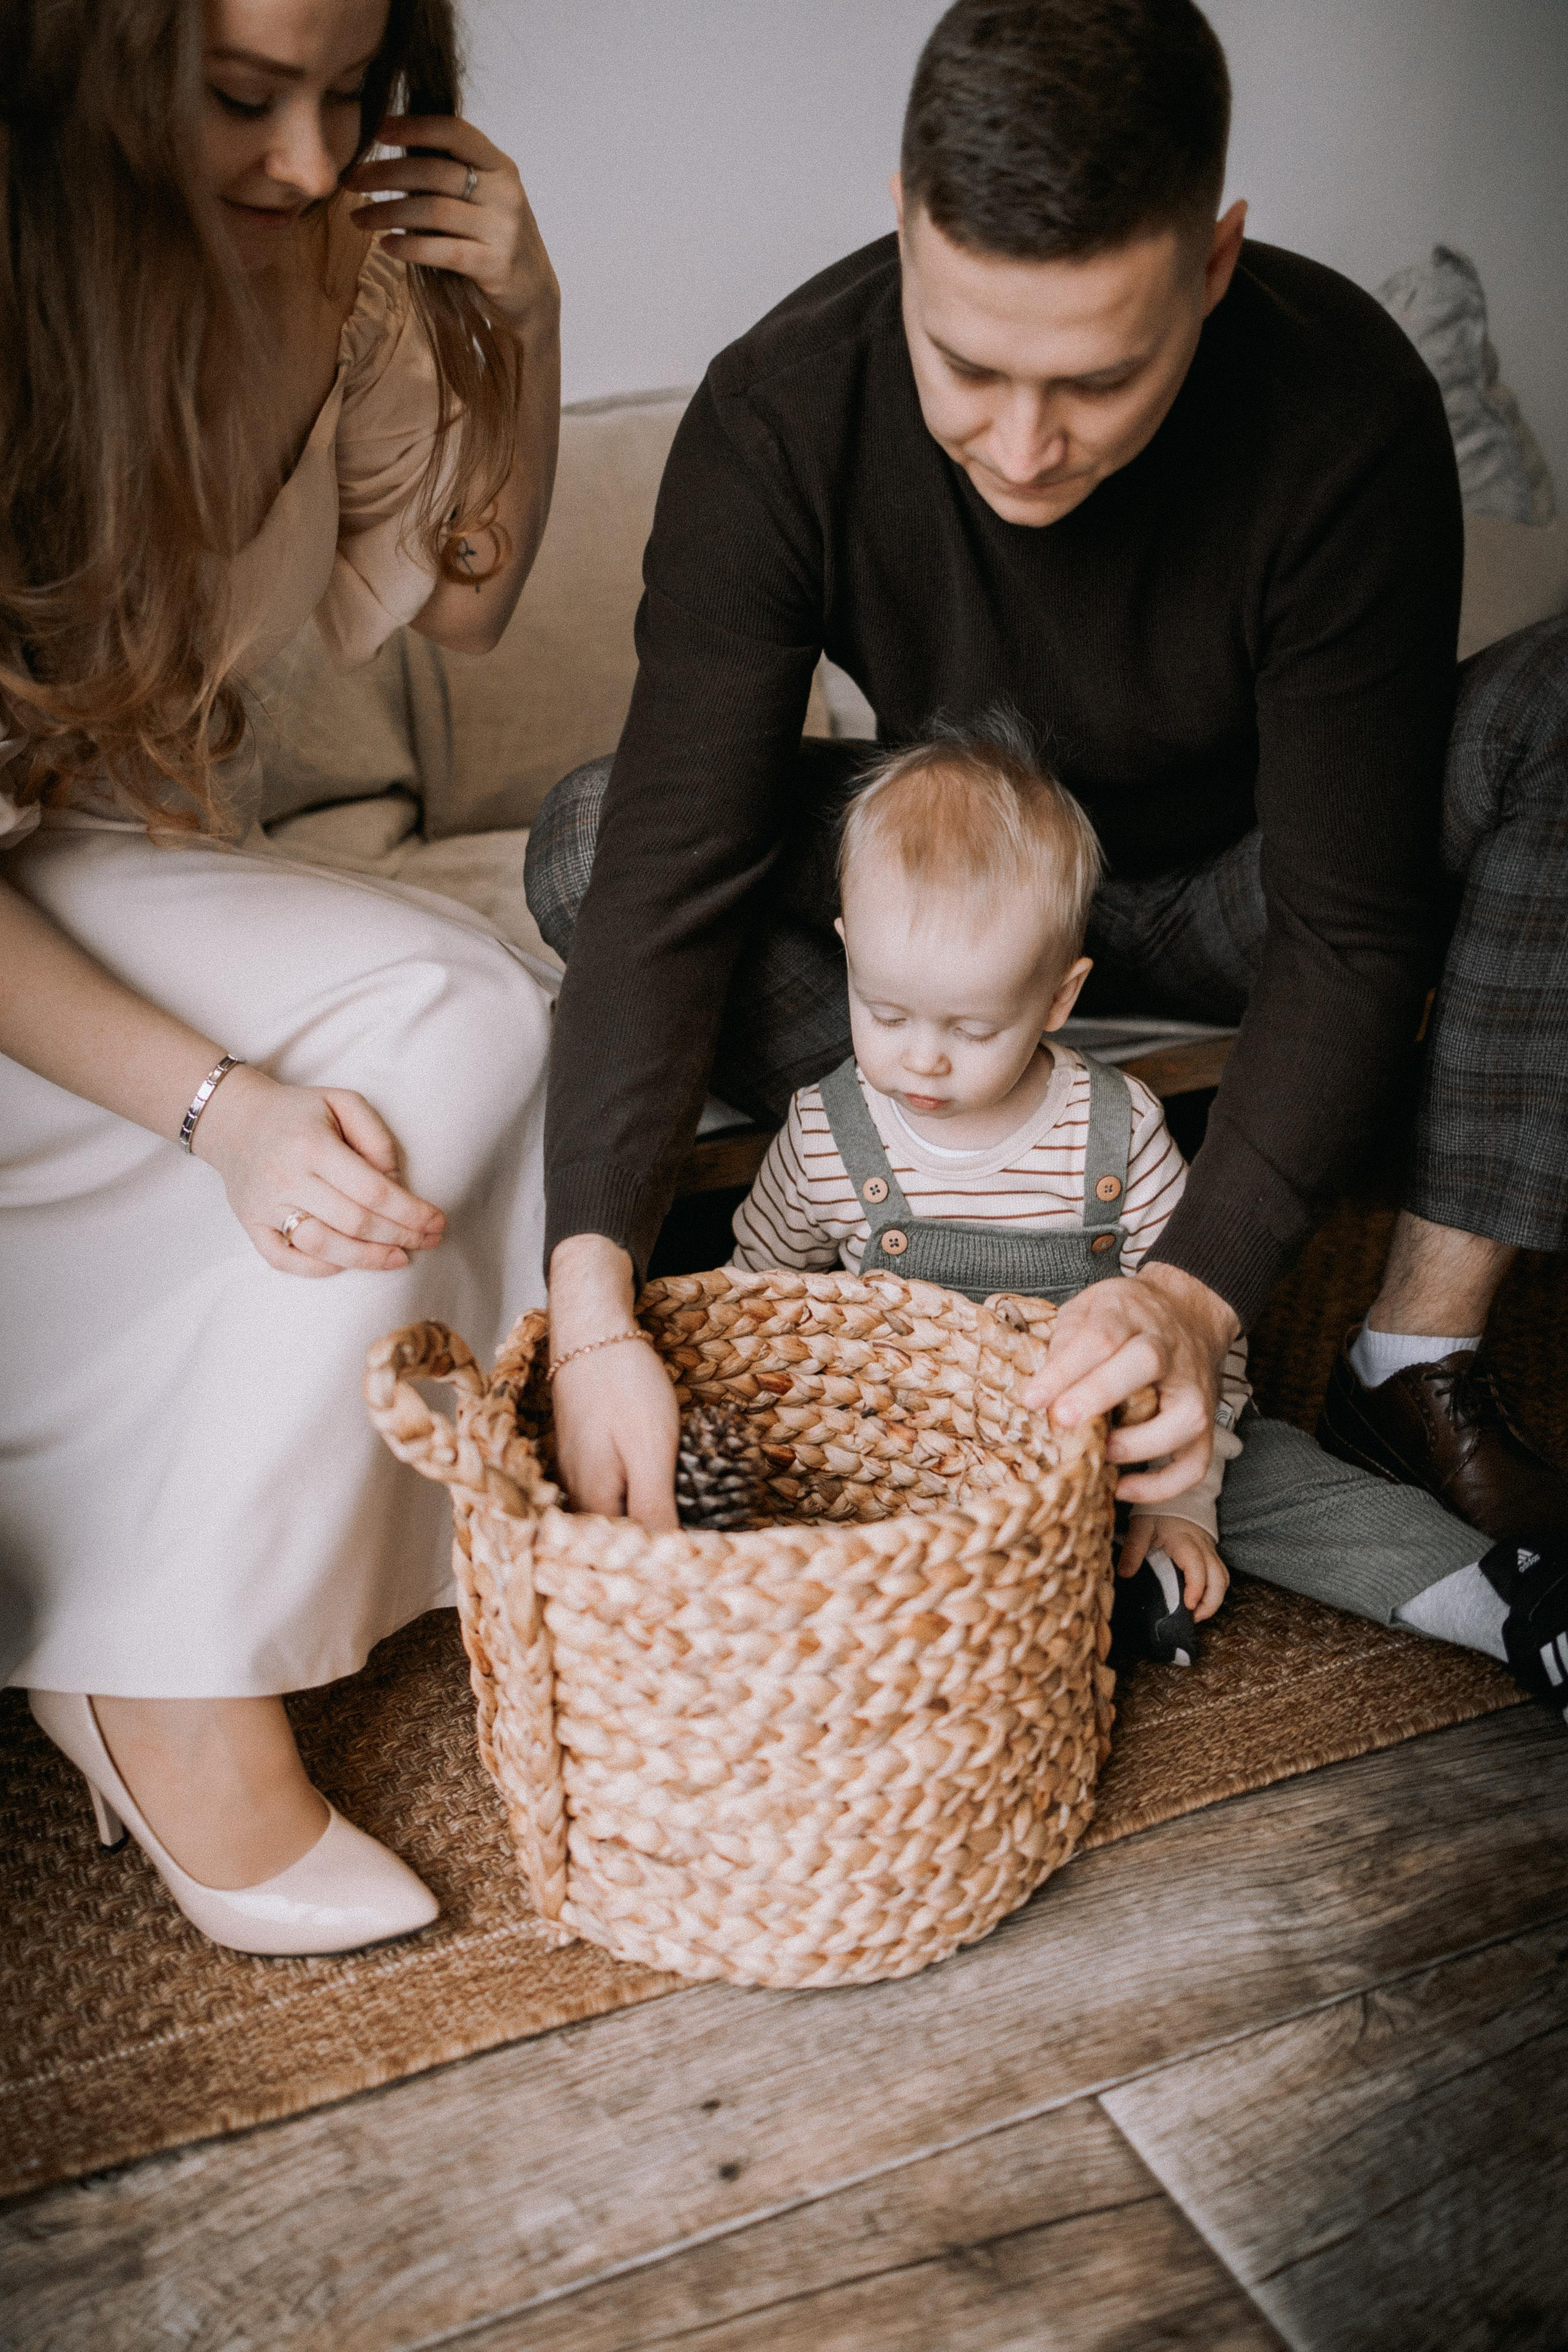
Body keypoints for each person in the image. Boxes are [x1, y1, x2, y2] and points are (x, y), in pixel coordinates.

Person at [526, 0, 1568, 1713]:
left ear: (1214, 265)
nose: (1024, 448)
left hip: (1247, 888)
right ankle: (1054, 1154)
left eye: (1098, 378)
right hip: (980, 922)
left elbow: (1349, 925)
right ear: (907, 227)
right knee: (584, 834)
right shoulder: (782, 411)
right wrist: (596, 1313)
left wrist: (1190, 1294)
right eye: (969, 368)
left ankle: (1411, 1350)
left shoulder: (1341, 406)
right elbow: (660, 880)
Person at [1, 0, 562, 1950]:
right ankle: (159, 1673)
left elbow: (472, 597)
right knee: (457, 1011)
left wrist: (529, 323)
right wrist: (217, 1112)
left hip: (115, 857)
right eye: (247, 99)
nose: (316, 161)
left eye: (349, 95)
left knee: (491, 1015)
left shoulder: (339, 284)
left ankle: (136, 1623)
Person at [727, 721, 1246, 1659]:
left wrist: (1182, 1501)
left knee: (1285, 1485)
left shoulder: (1117, 1131)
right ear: (846, 950)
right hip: (891, 1477)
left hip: (1089, 1468)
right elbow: (751, 1311)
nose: (920, 1057)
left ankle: (1479, 1592)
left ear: (1058, 997)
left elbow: (1204, 1341)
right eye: (884, 1012)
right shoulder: (824, 1135)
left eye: (972, 1029)